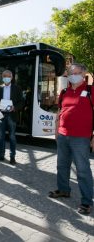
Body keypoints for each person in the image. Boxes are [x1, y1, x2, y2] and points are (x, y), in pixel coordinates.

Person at [49, 63, 93, 215]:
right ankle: (63, 190)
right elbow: (60, 112)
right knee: (62, 165)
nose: (72, 75)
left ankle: (87, 201)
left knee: (82, 170)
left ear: (83, 74)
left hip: (81, 137)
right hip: (63, 135)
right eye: (70, 72)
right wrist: (56, 131)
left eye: (75, 72)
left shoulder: (90, 90)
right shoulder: (64, 91)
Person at [0, 70, 24, 165]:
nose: (6, 78)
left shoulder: (17, 88)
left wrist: (15, 107)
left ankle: (12, 157)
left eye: (8, 76)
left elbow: (22, 102)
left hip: (12, 115)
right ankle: (1, 155)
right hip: (0, 116)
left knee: (12, 137)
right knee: (1, 136)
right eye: (4, 76)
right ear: (2, 77)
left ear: (12, 77)